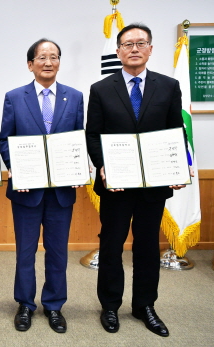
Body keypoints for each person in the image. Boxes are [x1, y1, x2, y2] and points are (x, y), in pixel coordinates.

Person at [86, 23, 189, 337]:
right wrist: (102, 166)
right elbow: (93, 135)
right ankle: (110, 305)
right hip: (115, 185)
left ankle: (145, 305)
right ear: (118, 51)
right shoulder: (101, 88)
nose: (134, 48)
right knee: (112, 244)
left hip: (153, 185)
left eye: (140, 43)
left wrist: (179, 167)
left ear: (150, 49)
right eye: (127, 44)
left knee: (146, 246)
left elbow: (176, 133)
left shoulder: (169, 86)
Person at [0, 39, 84, 334]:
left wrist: (77, 165)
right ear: (30, 64)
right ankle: (24, 304)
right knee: (25, 251)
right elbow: (5, 140)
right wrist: (18, 171)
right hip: (27, 191)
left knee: (58, 251)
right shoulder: (14, 97)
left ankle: (54, 305)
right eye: (42, 57)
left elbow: (78, 139)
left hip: (61, 191)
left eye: (54, 57)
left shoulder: (74, 97)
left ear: (59, 62)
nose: (48, 62)